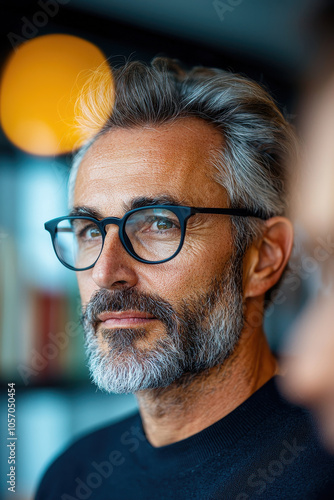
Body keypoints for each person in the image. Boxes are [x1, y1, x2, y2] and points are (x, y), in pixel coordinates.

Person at [36, 58, 334, 500]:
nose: (105, 272)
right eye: (90, 231)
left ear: (263, 257)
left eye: (158, 224)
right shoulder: (71, 474)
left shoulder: (321, 470)